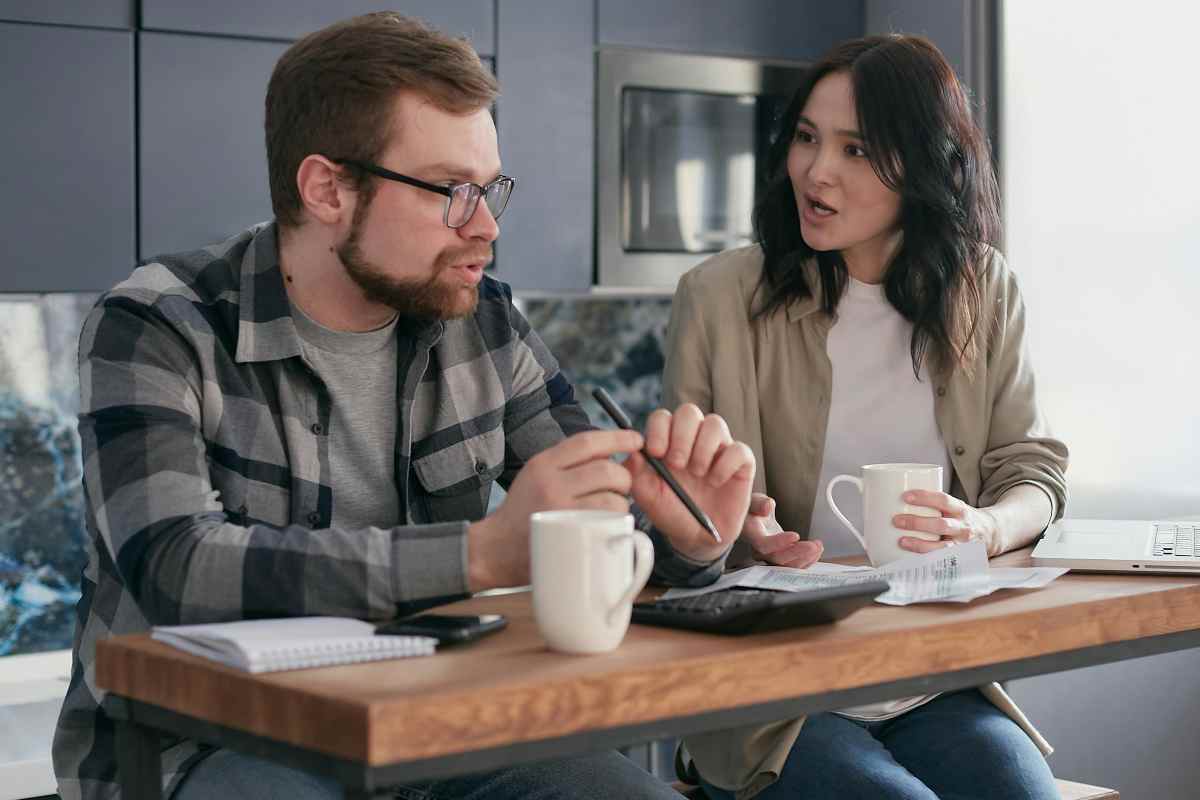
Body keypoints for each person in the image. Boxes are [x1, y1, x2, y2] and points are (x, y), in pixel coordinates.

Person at [52, 13, 756, 800]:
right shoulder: (157, 323)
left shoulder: (485, 323)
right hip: (212, 742)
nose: (485, 227)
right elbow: (176, 566)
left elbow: (596, 535)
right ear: (326, 189)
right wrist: (482, 553)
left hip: (440, 723)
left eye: (490, 190)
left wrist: (689, 536)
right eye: (452, 192)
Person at [662, 34, 1069, 800]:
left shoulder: (985, 290)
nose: (817, 172)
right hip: (777, 696)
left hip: (929, 678)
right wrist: (719, 530)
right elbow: (671, 530)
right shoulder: (717, 298)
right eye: (809, 139)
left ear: (923, 165)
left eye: (857, 150)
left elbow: (1033, 472)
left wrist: (985, 526)